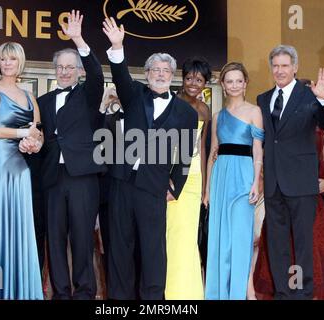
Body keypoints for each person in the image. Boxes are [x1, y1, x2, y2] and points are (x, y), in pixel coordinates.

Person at [102, 17, 197, 299]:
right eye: (154, 69)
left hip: (154, 187)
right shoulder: (133, 96)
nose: (160, 73)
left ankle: (153, 300)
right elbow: (119, 75)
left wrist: (174, 186)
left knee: (154, 249)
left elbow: (185, 156)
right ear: (146, 73)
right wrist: (117, 46)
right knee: (120, 247)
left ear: (172, 75)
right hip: (121, 182)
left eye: (165, 70)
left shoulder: (186, 113)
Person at [257, 44, 324, 300]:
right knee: (277, 244)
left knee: (303, 244)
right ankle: (283, 292)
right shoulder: (262, 98)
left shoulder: (309, 95)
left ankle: (302, 293)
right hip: (273, 183)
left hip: (301, 183)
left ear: (295, 67)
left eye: (285, 65)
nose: (279, 70)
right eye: (275, 66)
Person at [36, 10, 105, 300]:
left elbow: (98, 73)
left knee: (81, 238)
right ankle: (61, 293)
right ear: (55, 71)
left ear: (78, 70)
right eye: (60, 67)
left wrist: (78, 40)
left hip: (83, 178)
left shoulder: (89, 94)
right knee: (55, 239)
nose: (64, 71)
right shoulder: (42, 101)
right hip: (52, 178)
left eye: (70, 67)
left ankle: (85, 293)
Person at [0, 41, 44, 299]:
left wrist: (34, 143)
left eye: (12, 59)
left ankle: (20, 290)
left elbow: (39, 134)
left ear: (20, 63)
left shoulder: (30, 97)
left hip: (21, 169)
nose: (7, 64)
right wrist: (22, 133)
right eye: (3, 59)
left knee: (20, 231)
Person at [254, 127, 324, 300]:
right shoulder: (279, 123)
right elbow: (265, 157)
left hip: (312, 204)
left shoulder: (321, 127)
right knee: (286, 258)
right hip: (283, 204)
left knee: (313, 263)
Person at [203, 62, 264, 300]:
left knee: (240, 239)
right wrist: (207, 190)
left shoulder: (254, 112)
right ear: (223, 85)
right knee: (220, 238)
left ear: (245, 83)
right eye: (230, 81)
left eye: (239, 81)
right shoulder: (218, 116)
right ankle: (218, 294)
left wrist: (255, 181)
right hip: (220, 177)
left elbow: (258, 151)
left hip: (243, 176)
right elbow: (212, 153)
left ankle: (240, 293)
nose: (235, 85)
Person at [165, 58, 211, 299]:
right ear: (182, 78)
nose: (193, 83)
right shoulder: (171, 102)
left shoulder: (204, 110)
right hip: (170, 174)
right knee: (169, 234)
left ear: (205, 83)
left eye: (199, 80)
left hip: (193, 178)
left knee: (187, 237)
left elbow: (203, 148)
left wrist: (205, 187)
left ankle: (186, 294)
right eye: (190, 78)